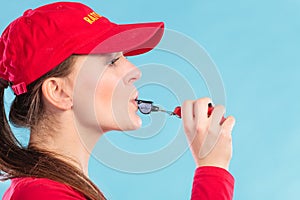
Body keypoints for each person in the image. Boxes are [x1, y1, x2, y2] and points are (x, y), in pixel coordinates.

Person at [0, 2, 236, 200]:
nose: (135, 71)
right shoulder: (42, 196)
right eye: (111, 61)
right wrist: (212, 171)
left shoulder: (52, 190)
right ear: (59, 92)